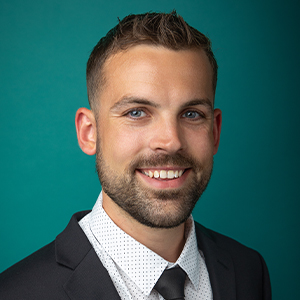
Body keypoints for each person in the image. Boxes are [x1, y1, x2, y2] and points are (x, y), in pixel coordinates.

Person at [0, 11, 271, 300]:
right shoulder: (15, 293)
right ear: (89, 132)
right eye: (137, 112)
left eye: (191, 114)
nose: (170, 141)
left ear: (215, 131)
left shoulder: (248, 271)